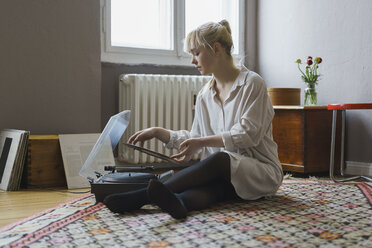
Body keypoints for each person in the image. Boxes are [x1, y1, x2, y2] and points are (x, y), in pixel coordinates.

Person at [104, 20, 283, 219]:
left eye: (196, 53)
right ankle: (181, 204)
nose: (192, 61)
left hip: (261, 172)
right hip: (226, 175)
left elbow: (248, 134)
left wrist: (202, 142)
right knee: (212, 189)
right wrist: (159, 132)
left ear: (216, 49)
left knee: (220, 159)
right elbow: (197, 137)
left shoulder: (252, 84)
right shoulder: (206, 94)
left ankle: (140, 196)